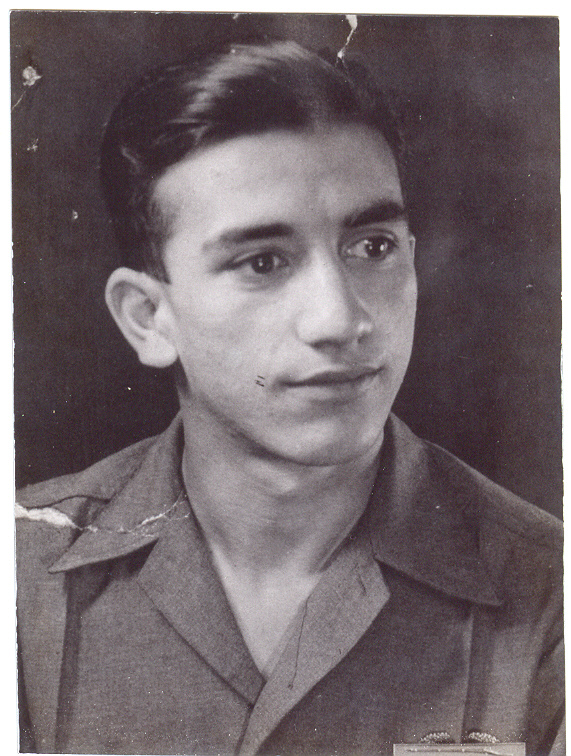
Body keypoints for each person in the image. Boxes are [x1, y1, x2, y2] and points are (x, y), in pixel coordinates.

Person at [16, 39, 563, 756]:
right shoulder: (19, 581)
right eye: (263, 261)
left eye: (372, 246)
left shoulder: (550, 592)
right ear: (149, 318)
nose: (338, 320)